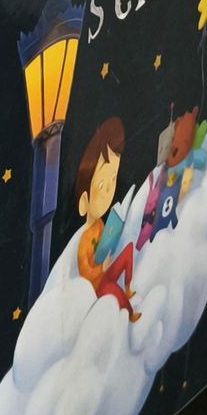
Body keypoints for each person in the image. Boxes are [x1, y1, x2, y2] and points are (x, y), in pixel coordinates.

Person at [75, 117, 141, 322]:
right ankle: (130, 313)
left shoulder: (100, 224)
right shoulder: (84, 239)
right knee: (112, 289)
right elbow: (85, 273)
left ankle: (128, 287)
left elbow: (106, 244)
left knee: (128, 251)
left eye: (113, 180)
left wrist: (111, 247)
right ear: (84, 201)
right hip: (97, 286)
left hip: (106, 271)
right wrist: (101, 267)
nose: (109, 191)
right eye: (102, 185)